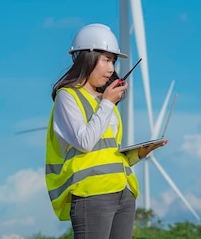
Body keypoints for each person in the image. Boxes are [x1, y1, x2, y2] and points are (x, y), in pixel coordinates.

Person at [45, 23, 167, 239]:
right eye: (106, 60)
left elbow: (107, 151)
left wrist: (139, 153)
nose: (111, 69)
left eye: (113, 61)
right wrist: (108, 103)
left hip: (123, 192)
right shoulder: (69, 96)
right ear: (87, 58)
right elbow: (84, 142)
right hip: (91, 193)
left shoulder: (106, 101)